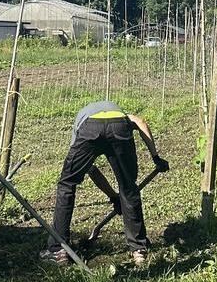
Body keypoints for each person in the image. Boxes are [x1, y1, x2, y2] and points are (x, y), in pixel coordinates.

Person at [41, 101, 169, 267]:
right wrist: (155, 157)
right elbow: (141, 122)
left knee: (67, 184)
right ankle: (139, 250)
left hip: (91, 127)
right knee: (129, 188)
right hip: (119, 127)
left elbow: (91, 170)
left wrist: (113, 196)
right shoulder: (121, 114)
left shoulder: (82, 120)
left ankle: (57, 250)